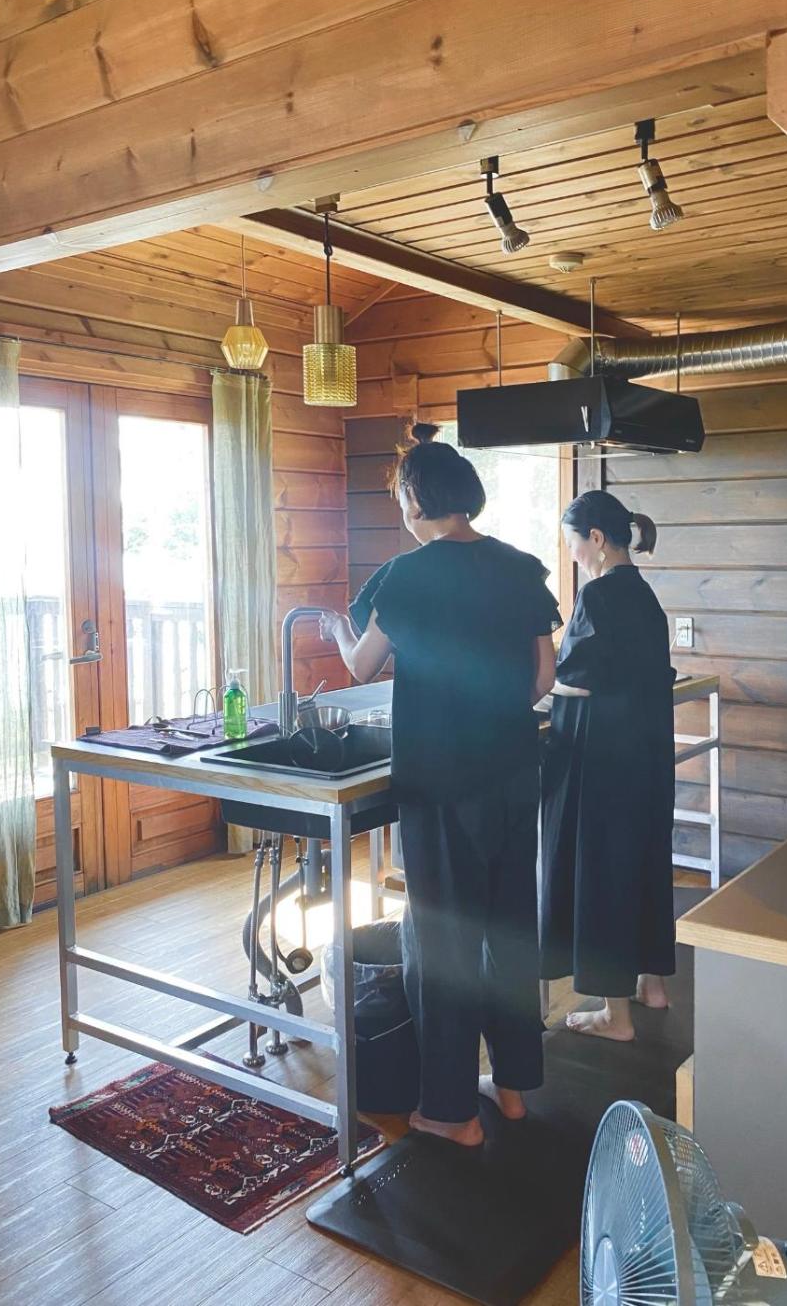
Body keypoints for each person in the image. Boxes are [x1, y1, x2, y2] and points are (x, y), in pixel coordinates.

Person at [319, 423, 560, 1146]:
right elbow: (542, 678)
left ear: (417, 498)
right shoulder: (521, 568)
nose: (400, 507)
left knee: (444, 942)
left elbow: (361, 665)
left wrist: (336, 631)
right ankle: (512, 1090)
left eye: (401, 493)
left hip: (441, 782)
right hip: (513, 772)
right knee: (509, 931)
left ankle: (451, 1113)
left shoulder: (406, 576)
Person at [540, 489, 676, 1041]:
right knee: (643, 860)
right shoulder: (643, 593)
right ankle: (652, 984)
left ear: (596, 539)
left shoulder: (597, 595)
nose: (572, 554)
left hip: (605, 756)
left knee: (603, 871)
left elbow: (575, 678)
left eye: (573, 543)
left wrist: (538, 683)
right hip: (646, 754)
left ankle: (615, 1016)